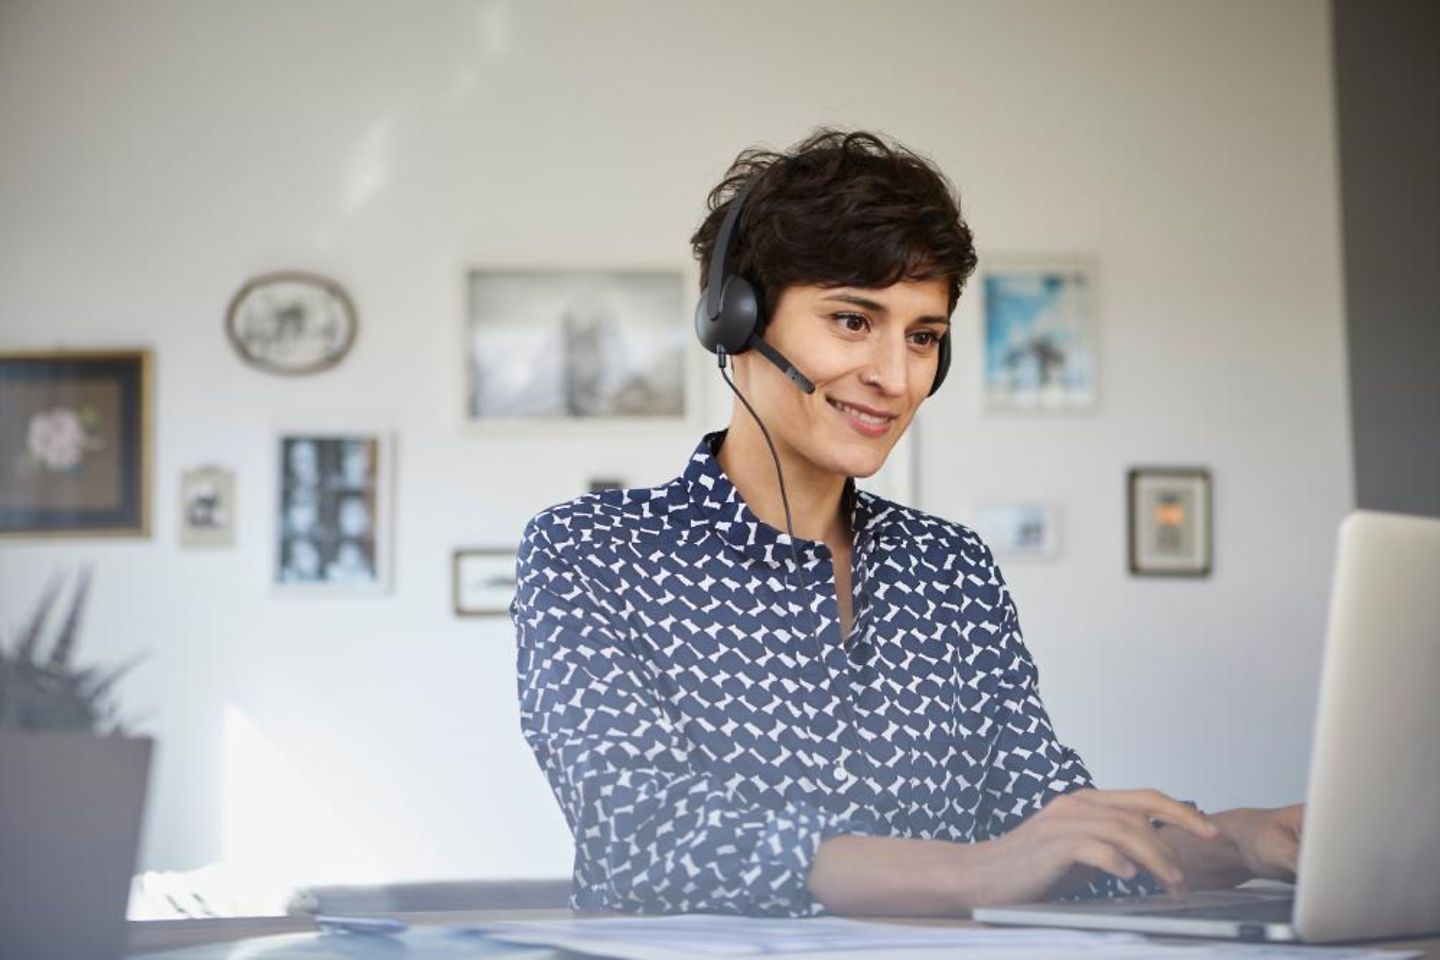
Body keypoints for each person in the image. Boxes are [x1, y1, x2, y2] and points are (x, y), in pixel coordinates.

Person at [511, 129, 1303, 918]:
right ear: (736, 319)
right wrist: (975, 875)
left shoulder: (950, 569)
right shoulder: (593, 553)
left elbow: (1049, 827)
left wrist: (1237, 840)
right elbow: (645, 835)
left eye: (922, 337)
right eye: (854, 322)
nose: (894, 377)